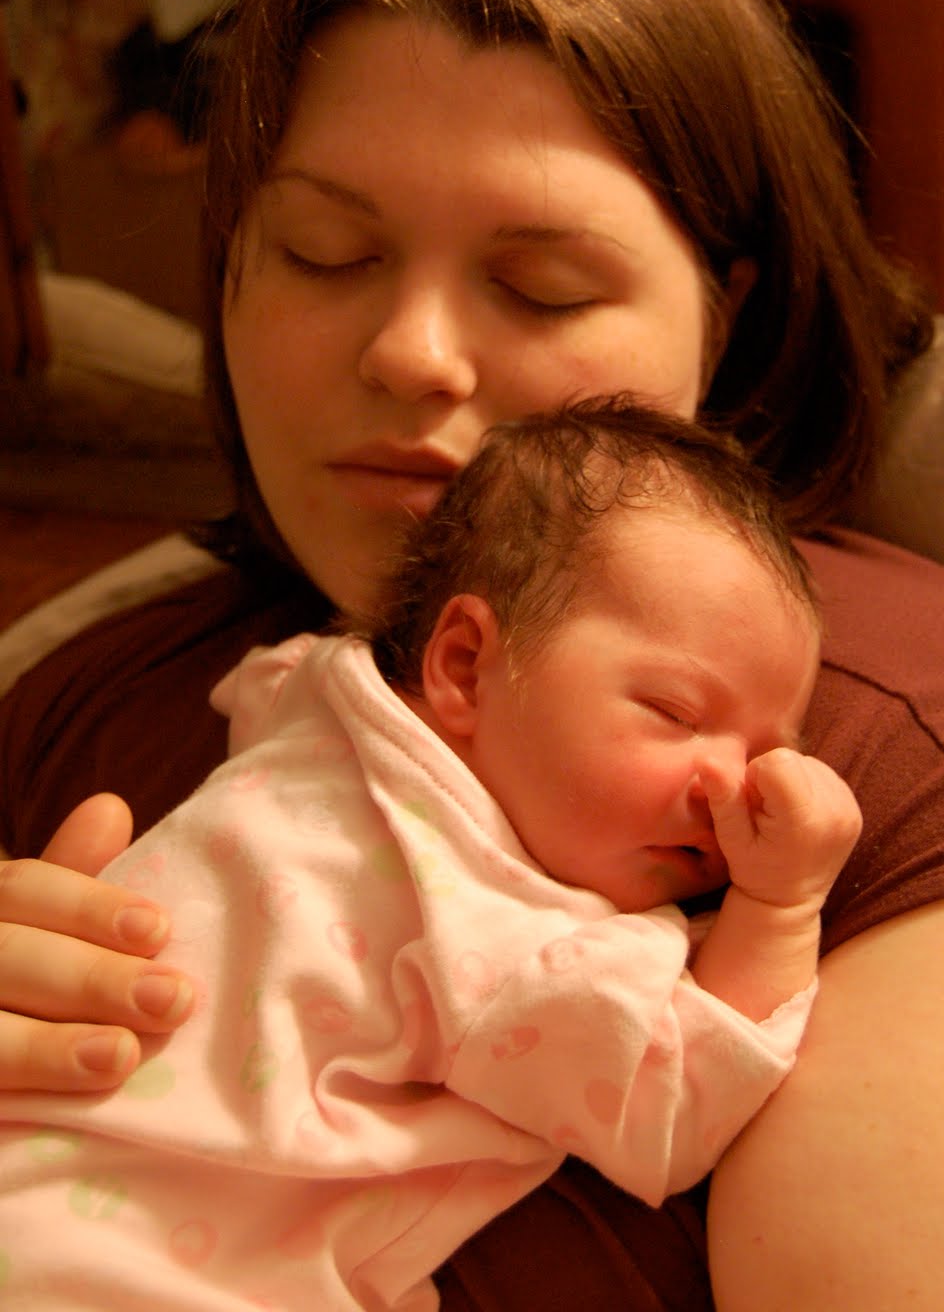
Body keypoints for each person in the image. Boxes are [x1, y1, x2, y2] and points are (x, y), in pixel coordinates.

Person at [0, 0, 944, 1310]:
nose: (409, 353)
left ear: (727, 310)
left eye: (542, 283)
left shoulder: (909, 758)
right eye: (321, 253)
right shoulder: (97, 684)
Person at [0, 403, 861, 1308]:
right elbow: (675, 1106)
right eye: (675, 714)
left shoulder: (310, 696)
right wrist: (781, 904)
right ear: (460, 665)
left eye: (771, 756)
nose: (733, 789)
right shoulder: (493, 921)